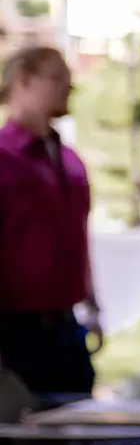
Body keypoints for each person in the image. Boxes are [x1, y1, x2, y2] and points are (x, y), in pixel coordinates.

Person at [0, 46, 100, 399]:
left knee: (79, 434)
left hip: (65, 324)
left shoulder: (70, 159)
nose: (68, 87)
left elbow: (77, 235)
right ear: (23, 81)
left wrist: (92, 300)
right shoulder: (3, 157)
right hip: (13, 330)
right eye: (58, 78)